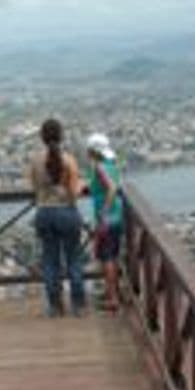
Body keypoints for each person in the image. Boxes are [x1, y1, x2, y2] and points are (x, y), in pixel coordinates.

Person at [28, 118, 85, 317]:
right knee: (73, 259)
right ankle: (78, 305)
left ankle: (54, 305)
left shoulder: (35, 160)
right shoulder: (69, 160)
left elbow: (34, 188)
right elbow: (74, 192)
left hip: (44, 212)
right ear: (61, 136)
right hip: (66, 212)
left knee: (50, 260)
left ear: (42, 137)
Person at [85, 133, 124, 311]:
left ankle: (113, 298)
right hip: (117, 216)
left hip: (106, 219)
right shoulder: (112, 165)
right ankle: (112, 291)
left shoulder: (100, 168)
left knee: (106, 257)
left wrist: (102, 213)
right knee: (113, 257)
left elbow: (111, 188)